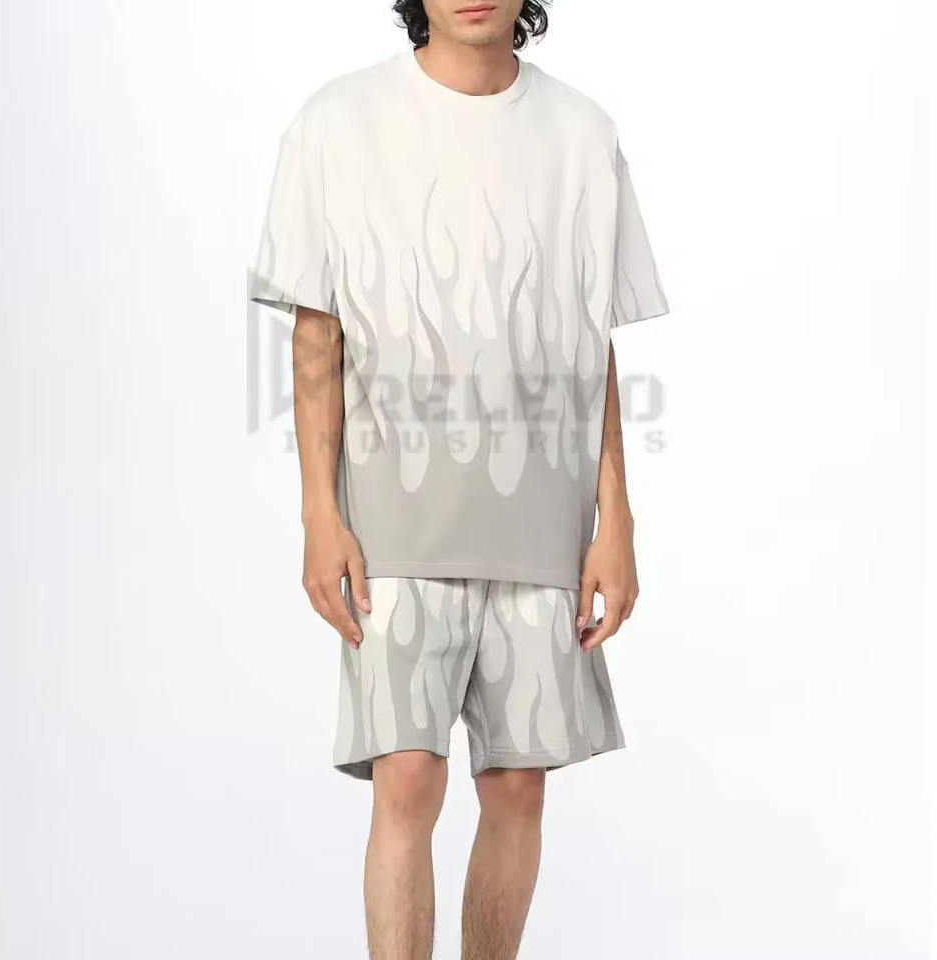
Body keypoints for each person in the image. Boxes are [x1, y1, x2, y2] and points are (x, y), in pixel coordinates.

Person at [250, 1, 668, 956]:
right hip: (392, 523)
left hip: (542, 526)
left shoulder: (582, 134)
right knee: (407, 776)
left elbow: (591, 342)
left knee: (517, 786)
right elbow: (317, 333)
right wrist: (319, 513)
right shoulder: (337, 123)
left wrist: (615, 521)